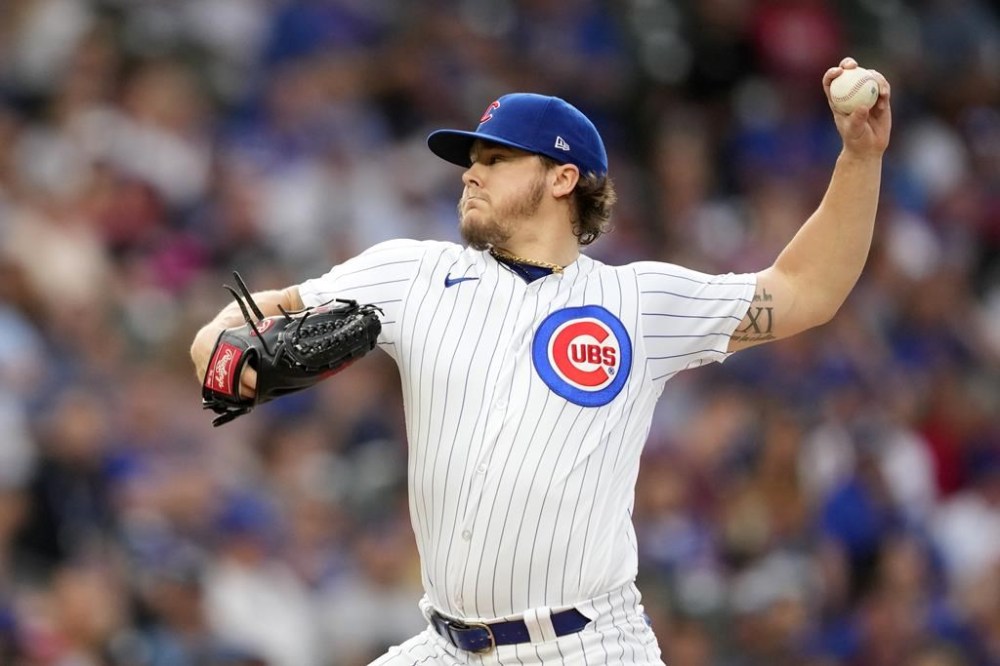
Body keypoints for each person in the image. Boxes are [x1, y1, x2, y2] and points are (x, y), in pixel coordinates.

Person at [190, 57, 892, 665]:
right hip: (445, 645)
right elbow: (241, 326)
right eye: (471, 161)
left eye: (495, 160)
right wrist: (222, 355)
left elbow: (805, 290)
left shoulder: (636, 301)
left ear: (562, 178)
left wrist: (859, 157)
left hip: (586, 648)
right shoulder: (410, 273)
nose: (471, 175)